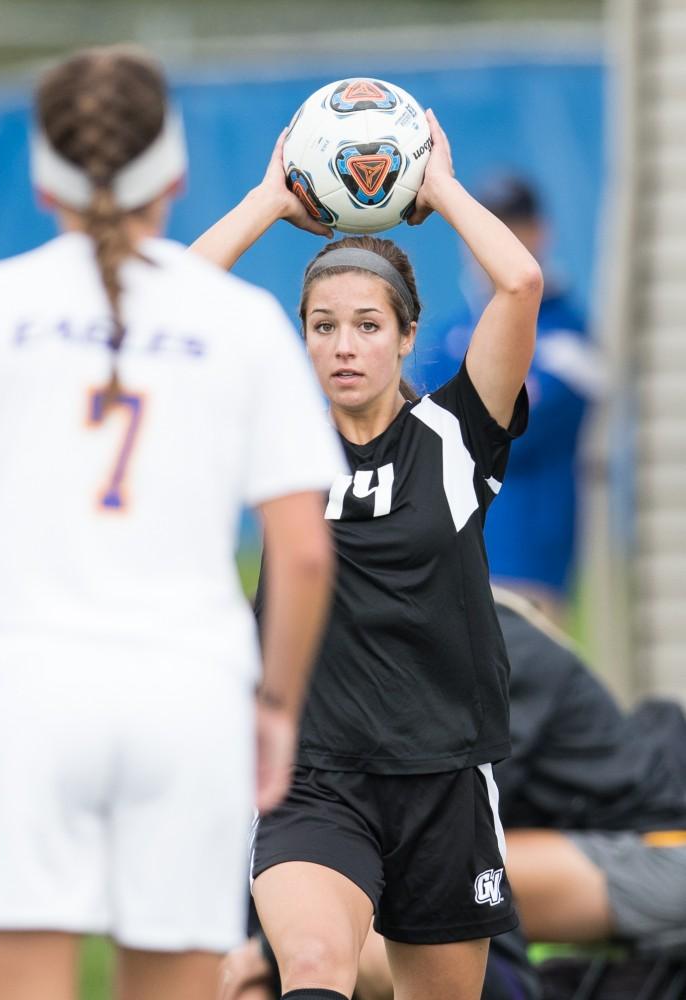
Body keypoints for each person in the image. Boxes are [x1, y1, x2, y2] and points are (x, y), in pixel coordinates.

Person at [0, 47, 344, 1000]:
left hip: (17, 690)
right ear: (172, 174)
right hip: (189, 694)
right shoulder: (244, 320)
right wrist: (278, 706)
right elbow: (301, 552)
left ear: (43, 180)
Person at [194, 108, 542, 1000]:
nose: (344, 346)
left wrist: (439, 188)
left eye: (366, 325)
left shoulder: (457, 436)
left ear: (407, 335)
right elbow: (172, 301)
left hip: (444, 776)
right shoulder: (278, 436)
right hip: (314, 774)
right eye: (321, 326)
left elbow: (519, 281)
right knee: (312, 968)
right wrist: (271, 200)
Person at [221, 588, 686, 1000]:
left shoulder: (465, 654)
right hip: (575, 844)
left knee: (440, 877)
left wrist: (267, 951)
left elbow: (429, 835)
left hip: (664, 848)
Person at [414, 175, 602, 624]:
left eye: (515, 227)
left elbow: (506, 432)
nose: (502, 241)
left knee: (523, 688)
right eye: (491, 226)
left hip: (528, 565)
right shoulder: (447, 336)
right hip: (447, 560)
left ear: (541, 233)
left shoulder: (568, 342)